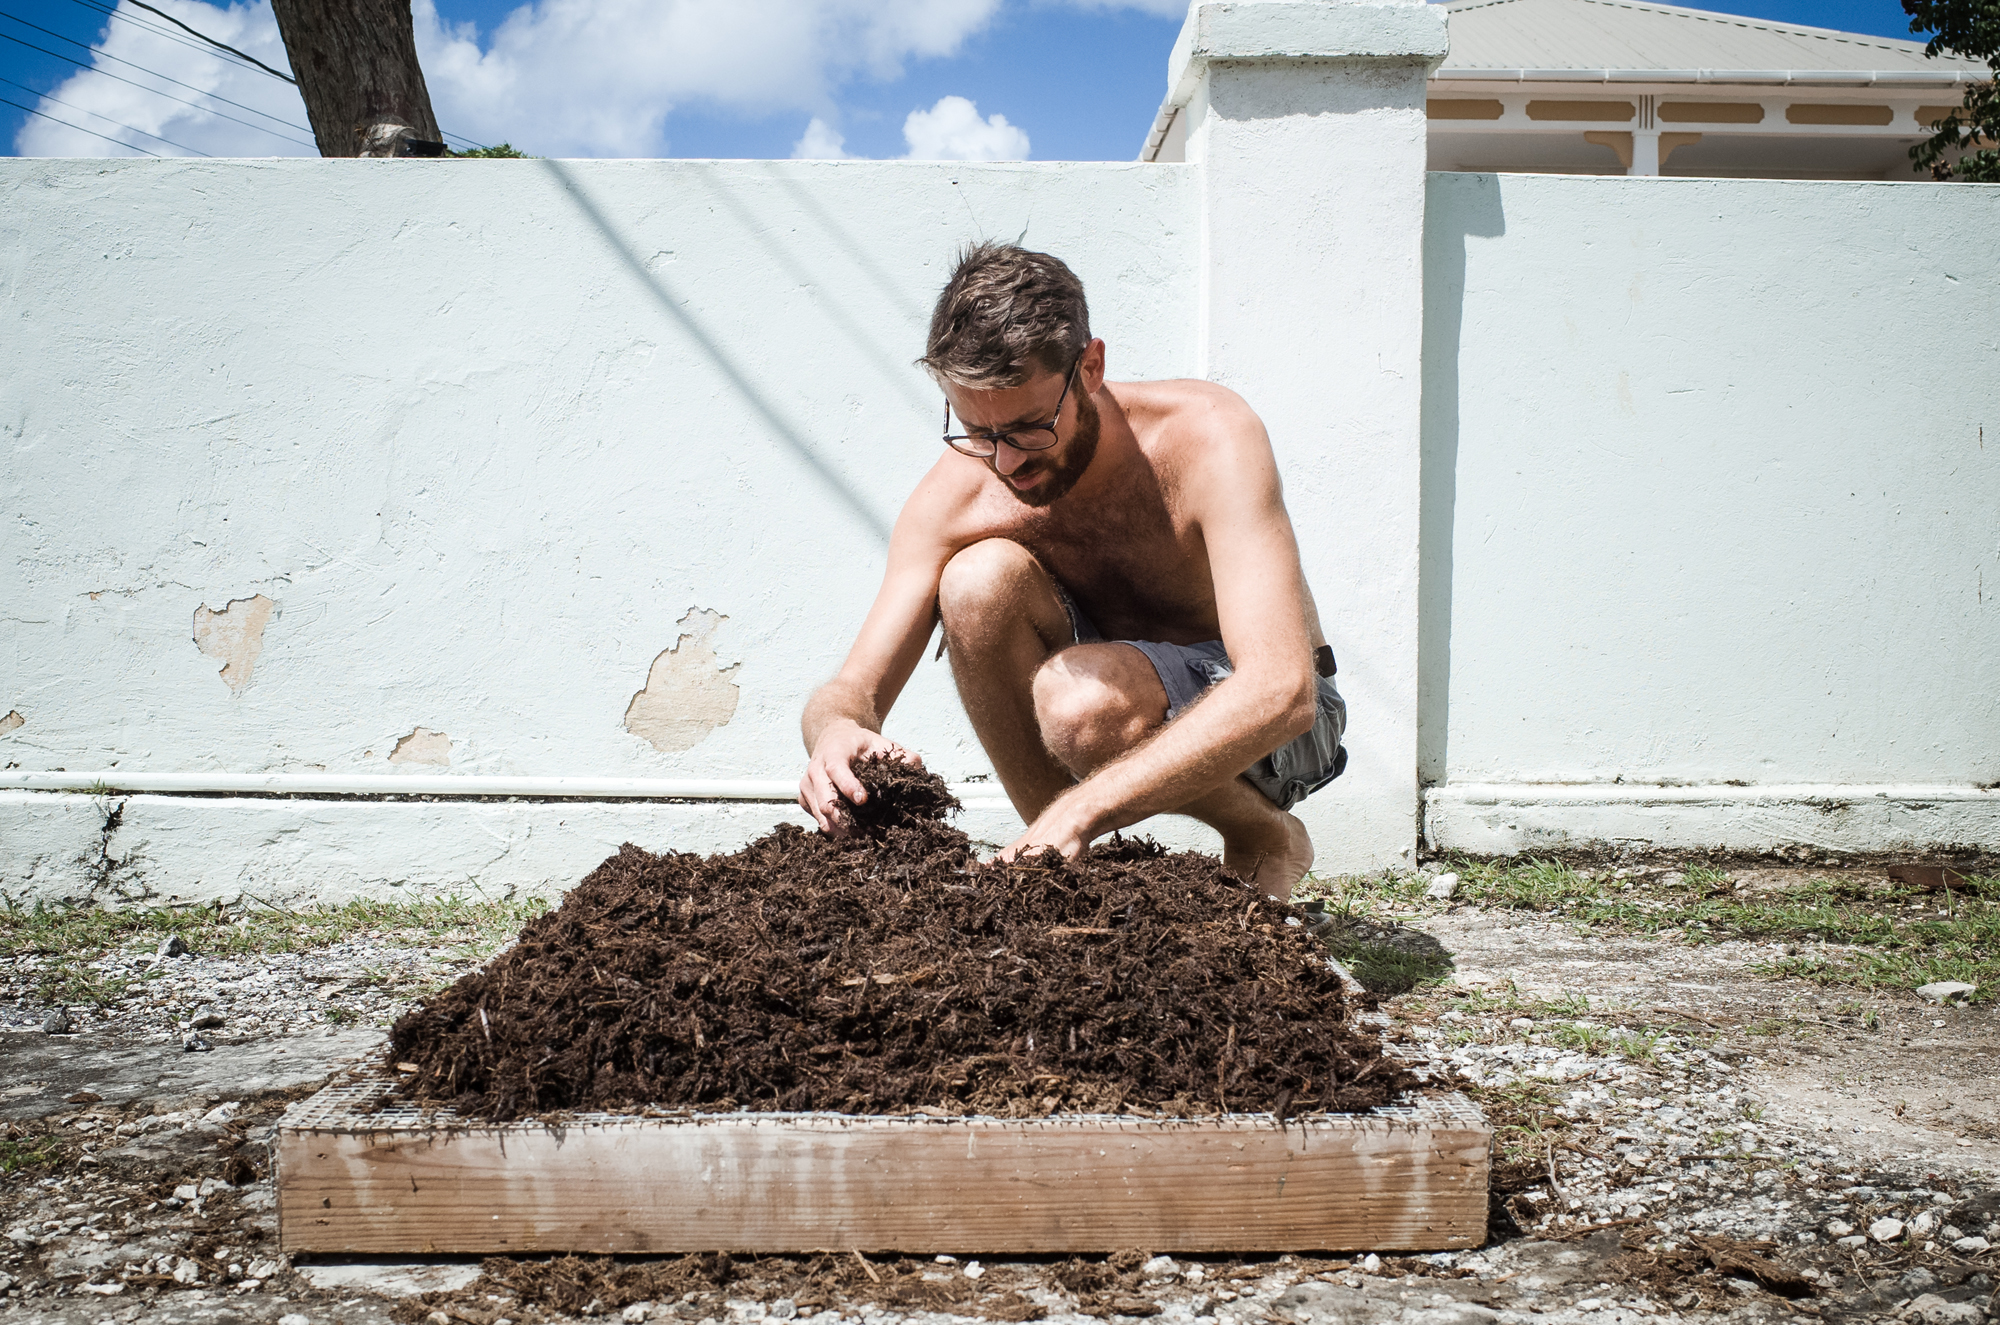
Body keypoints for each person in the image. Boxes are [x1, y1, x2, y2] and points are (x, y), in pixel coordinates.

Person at [796, 242, 1346, 900]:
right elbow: (852, 688)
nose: (1004, 462)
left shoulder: (1208, 436)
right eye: (977, 432)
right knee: (975, 583)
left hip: (1288, 730)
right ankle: (1066, 877)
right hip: (1102, 699)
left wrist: (1080, 809)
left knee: (1078, 702)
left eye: (1029, 427)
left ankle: (1263, 834)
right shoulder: (960, 494)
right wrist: (833, 732)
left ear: (1091, 367)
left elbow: (1284, 690)